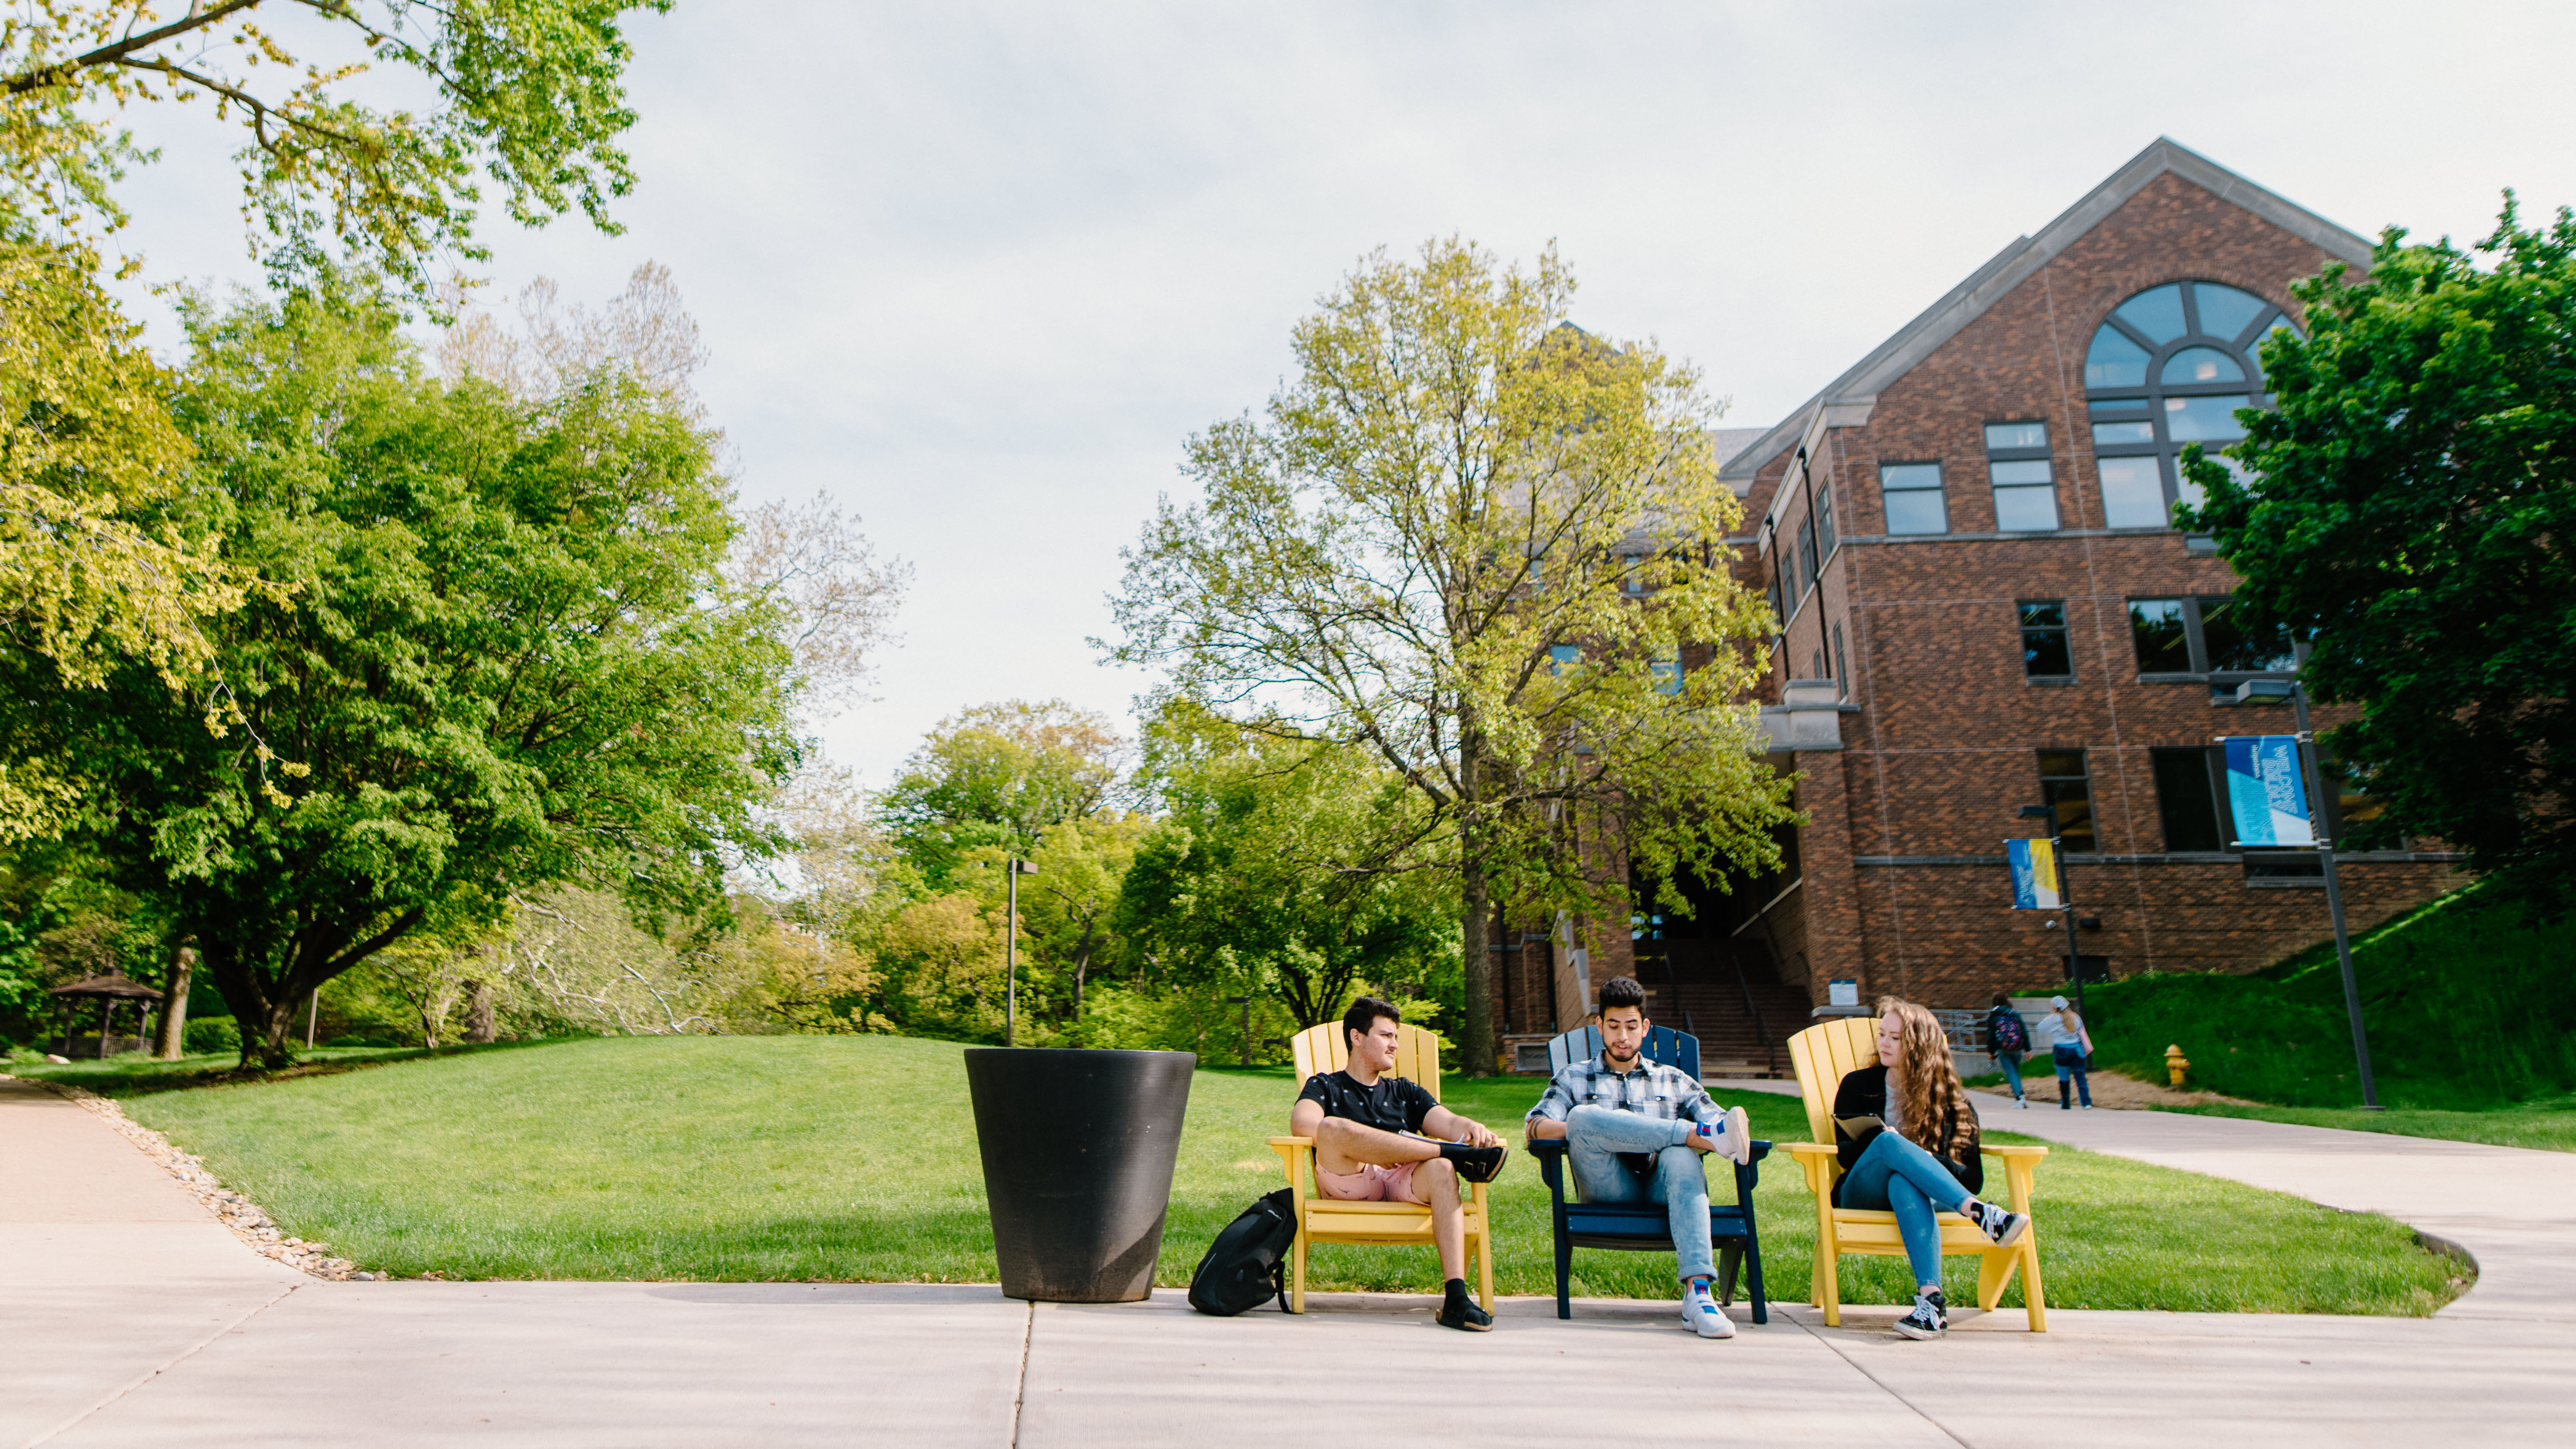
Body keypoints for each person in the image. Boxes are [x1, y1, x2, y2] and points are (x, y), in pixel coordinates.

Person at [1525, 977, 1756, 1340]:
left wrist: (1707, 1132)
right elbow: (1535, 1126)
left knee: (1681, 1158)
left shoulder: (1674, 1080)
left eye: (1631, 1027)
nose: (1622, 1036)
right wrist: (1585, 1128)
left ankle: (1698, 1295)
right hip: (1607, 1186)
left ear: (1645, 1028)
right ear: (1598, 1026)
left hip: (1664, 1187)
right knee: (1582, 1117)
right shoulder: (1573, 1077)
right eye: (1613, 1026)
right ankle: (1688, 1136)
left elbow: (1723, 1124)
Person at [1291, 997, 1509, 1332]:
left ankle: (1457, 1298)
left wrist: (1469, 1128)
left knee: (1442, 1169)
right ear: (1357, 1037)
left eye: (1396, 1037)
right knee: (1334, 1128)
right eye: (1386, 1036)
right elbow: (1304, 1126)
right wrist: (1375, 1148)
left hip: (1402, 1178)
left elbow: (1448, 1122)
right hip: (1352, 1179)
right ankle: (1449, 1152)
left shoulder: (1405, 1091)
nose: (1394, 1044)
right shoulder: (1325, 1086)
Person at [1831, 997, 2031, 1340]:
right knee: (1888, 1144)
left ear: (1920, 1045)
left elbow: (1973, 1177)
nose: (1883, 1043)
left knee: (1905, 1183)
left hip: (1922, 1197)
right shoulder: (1857, 1085)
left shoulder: (1953, 1103)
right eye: (1882, 1034)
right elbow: (1845, 1156)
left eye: (1895, 1038)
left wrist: (1918, 1162)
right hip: (1862, 1190)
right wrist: (1889, 1144)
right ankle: (1984, 1215)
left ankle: (1931, 1305)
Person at [2033, 994, 2094, 1109]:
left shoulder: (2054, 1018)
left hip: (2061, 1050)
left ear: (2055, 1007)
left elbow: (2040, 1028)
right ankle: (2086, 1102)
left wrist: (2051, 1016)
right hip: (2077, 1050)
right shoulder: (2075, 1017)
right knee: (2080, 1077)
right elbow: (2081, 1033)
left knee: (2064, 1078)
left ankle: (2066, 1103)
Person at [1986, 991, 2031, 1108]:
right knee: (2015, 1072)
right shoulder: (2014, 1013)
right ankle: (2022, 1096)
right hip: (2018, 1047)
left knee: (2011, 1073)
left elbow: (1990, 1036)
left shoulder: (1994, 1015)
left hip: (2003, 1048)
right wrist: (2028, 1049)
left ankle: (2019, 1098)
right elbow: (2024, 1031)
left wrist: (1991, 1052)